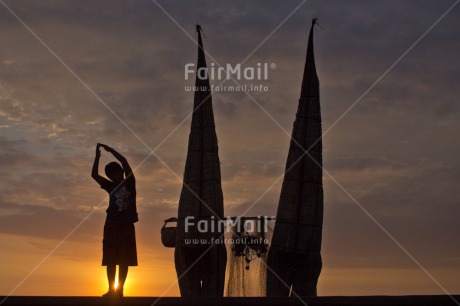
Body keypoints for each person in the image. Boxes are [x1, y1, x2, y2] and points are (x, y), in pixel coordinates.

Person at [91, 143, 139, 298]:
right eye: (111, 175)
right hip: (111, 224)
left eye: (116, 173)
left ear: (121, 172)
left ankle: (120, 289)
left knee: (124, 259)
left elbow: (124, 161)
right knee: (110, 259)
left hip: (126, 224)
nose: (114, 176)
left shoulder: (130, 182)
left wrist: (110, 150)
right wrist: (97, 157)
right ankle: (111, 289)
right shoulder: (110, 186)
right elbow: (94, 175)